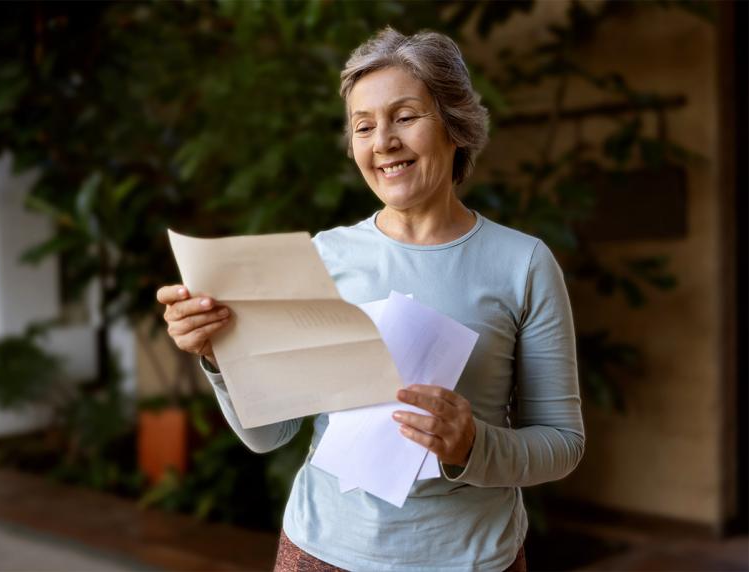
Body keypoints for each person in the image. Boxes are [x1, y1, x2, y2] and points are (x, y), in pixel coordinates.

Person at [157, 27, 584, 572]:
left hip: (472, 561)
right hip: (321, 552)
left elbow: (562, 443)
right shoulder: (324, 257)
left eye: (404, 117)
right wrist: (220, 356)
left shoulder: (523, 263)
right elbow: (270, 433)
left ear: (455, 124)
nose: (382, 141)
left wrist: (473, 446)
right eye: (363, 126)